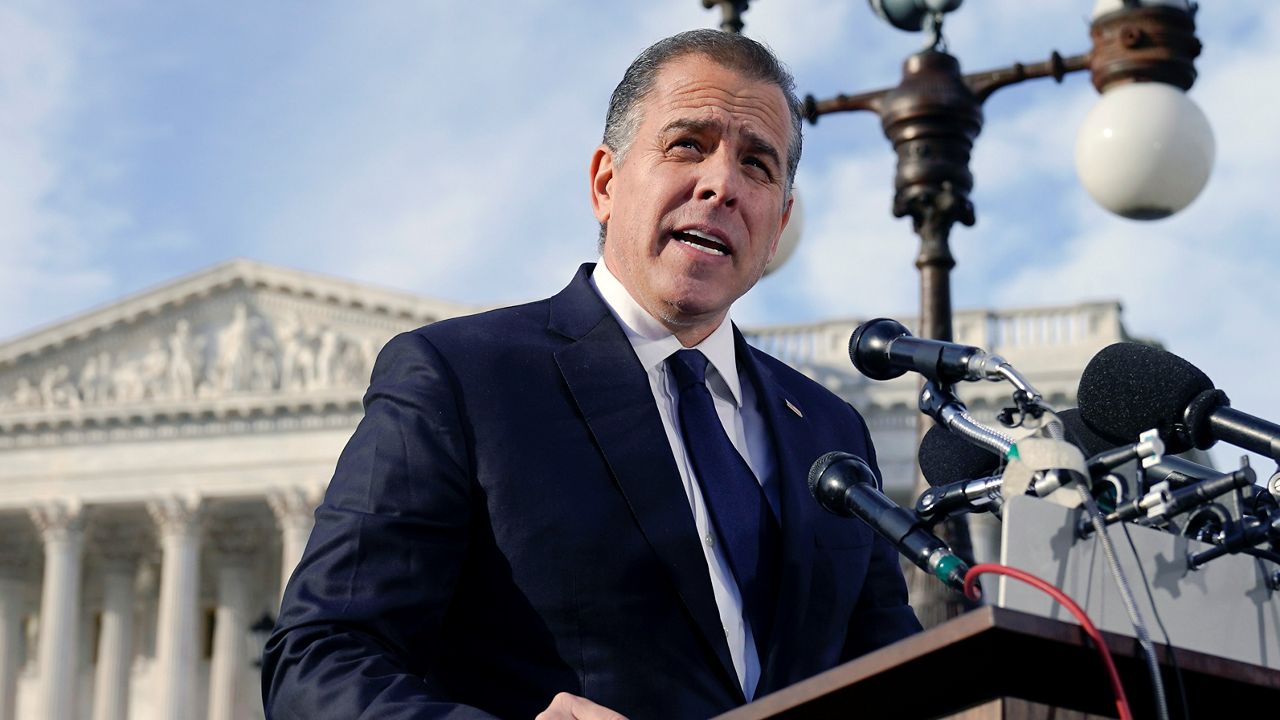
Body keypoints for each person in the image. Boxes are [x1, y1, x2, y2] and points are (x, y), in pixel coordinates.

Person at [262, 29, 920, 720]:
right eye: (687, 144)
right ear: (606, 183)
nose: (722, 183)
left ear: (779, 220)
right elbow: (320, 658)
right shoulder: (460, 379)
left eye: (757, 164)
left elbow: (897, 678)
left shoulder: (827, 428)